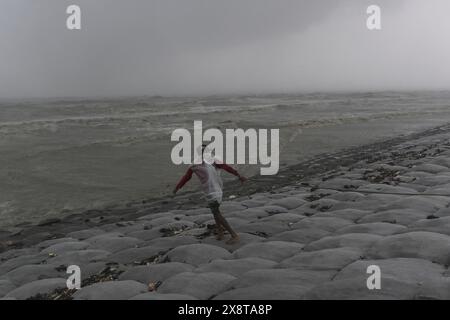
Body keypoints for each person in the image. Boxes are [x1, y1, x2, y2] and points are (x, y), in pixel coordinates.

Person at [173, 144, 247, 244]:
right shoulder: (195, 165)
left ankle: (234, 235)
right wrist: (177, 187)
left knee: (216, 212)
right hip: (208, 191)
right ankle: (220, 231)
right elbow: (187, 177)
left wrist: (239, 175)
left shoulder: (213, 161)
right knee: (214, 212)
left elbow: (227, 167)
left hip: (216, 191)